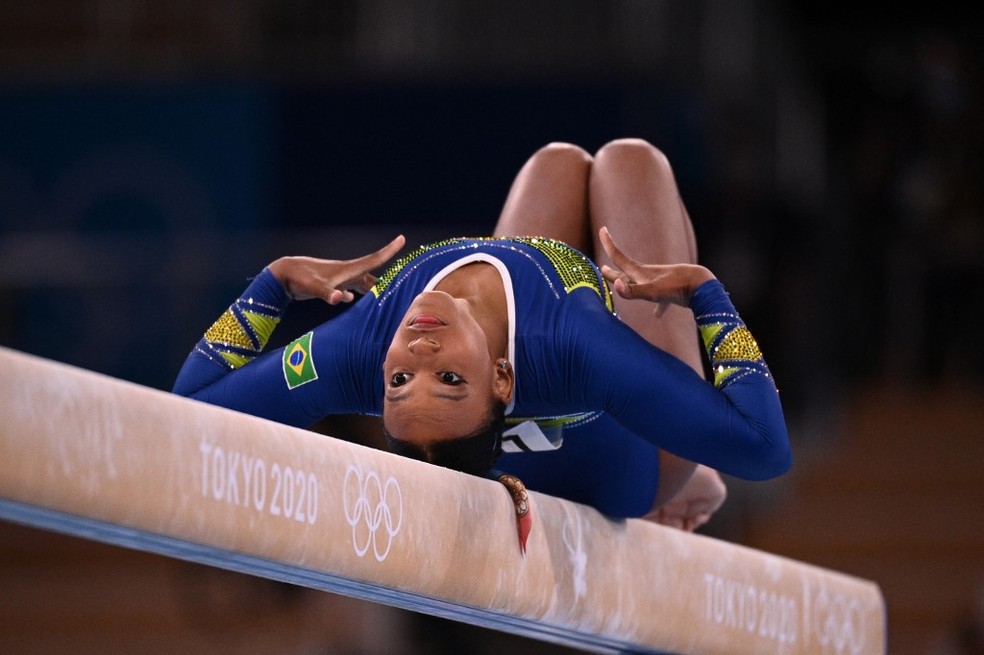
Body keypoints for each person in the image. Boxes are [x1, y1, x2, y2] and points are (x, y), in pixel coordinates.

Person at [173, 139, 790, 535]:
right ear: (501, 377)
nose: (419, 353)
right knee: (633, 161)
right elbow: (765, 450)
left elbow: (189, 413)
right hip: (634, 462)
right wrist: (707, 295)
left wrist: (274, 285)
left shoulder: (361, 347)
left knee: (557, 162)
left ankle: (670, 426)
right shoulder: (576, 346)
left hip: (527, 437)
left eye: (400, 381)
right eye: (448, 380)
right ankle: (690, 462)